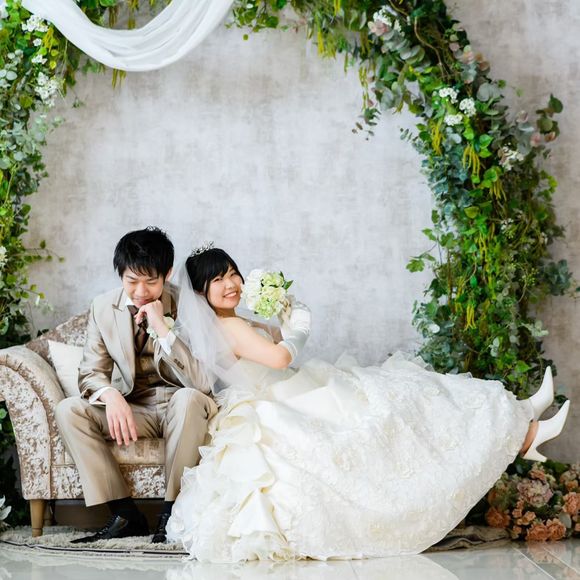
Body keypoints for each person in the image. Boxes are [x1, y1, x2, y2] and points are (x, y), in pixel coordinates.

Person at [163, 245, 570, 562]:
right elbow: (280, 358)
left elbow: (271, 351)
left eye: (233, 273)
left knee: (402, 393)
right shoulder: (230, 325)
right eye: (219, 280)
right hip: (279, 395)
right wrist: (300, 326)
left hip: (283, 390)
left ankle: (526, 421)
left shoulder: (231, 322)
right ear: (201, 293)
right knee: (397, 400)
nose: (231, 284)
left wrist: (284, 317)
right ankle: (524, 427)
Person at [55, 227, 217, 544]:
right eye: (132, 281)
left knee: (187, 398)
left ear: (167, 274)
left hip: (181, 406)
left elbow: (201, 382)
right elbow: (90, 372)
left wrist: (162, 328)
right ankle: (125, 514)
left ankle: (173, 513)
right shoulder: (103, 307)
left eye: (151, 281)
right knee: (69, 410)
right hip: (135, 408)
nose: (141, 290)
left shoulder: (188, 305)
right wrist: (110, 395)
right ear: (120, 274)